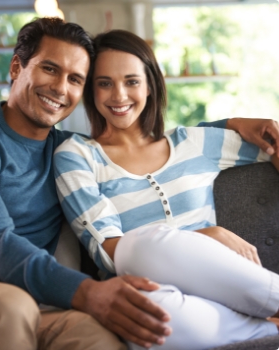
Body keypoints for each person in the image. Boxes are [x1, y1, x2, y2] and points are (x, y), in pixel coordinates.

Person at [0, 17, 278, 350]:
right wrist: (86, 292)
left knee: (99, 335)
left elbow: (159, 143)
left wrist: (235, 122)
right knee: (11, 308)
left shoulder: (57, 145)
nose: (60, 88)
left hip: (29, 290)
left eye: (76, 78)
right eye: (50, 68)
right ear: (17, 67)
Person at [53, 29, 279, 350]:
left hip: (219, 283)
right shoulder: (78, 156)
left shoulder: (193, 143)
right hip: (155, 293)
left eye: (131, 81)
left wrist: (240, 122)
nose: (119, 96)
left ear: (149, 85)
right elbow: (110, 251)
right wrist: (208, 234)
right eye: (105, 83)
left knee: (142, 248)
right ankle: (266, 329)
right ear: (91, 90)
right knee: (140, 272)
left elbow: (272, 144)